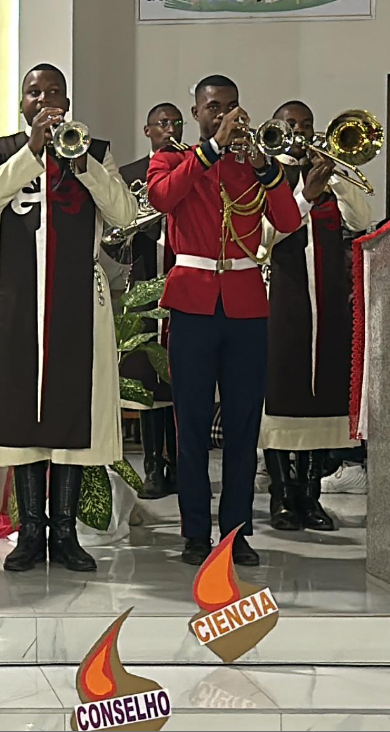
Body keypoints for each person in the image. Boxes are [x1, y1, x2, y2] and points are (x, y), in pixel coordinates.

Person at [0, 64, 137, 573]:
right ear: (21, 102)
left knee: (69, 411)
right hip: (19, 299)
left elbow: (125, 214)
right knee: (22, 414)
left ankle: (64, 532)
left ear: (67, 99)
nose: (43, 99)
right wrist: (32, 154)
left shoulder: (93, 150)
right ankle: (30, 532)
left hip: (76, 303)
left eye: (53, 92)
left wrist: (82, 164)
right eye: (33, 92)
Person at [146, 75, 301, 568]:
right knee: (189, 424)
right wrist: (211, 150)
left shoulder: (254, 164)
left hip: (245, 303)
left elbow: (290, 222)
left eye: (232, 107)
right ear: (197, 114)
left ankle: (236, 531)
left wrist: (266, 169)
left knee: (242, 426)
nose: (226, 115)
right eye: (214, 108)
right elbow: (163, 198)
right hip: (192, 302)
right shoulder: (174, 158)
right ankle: (194, 532)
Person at [259, 102, 376, 533]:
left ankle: (310, 496)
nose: (300, 132)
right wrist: (304, 195)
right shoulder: (265, 173)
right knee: (280, 398)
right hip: (280, 298)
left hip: (326, 300)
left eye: (307, 125)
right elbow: (264, 238)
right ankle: (282, 496)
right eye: (292, 124)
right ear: (276, 128)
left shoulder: (328, 174)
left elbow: (360, 222)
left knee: (319, 401)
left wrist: (336, 177)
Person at [111, 103, 185, 501]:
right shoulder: (130, 175)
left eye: (175, 123)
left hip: (185, 282)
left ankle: (182, 465)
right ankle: (154, 466)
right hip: (144, 280)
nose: (169, 129)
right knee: (147, 382)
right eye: (162, 123)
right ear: (147, 130)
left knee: (182, 379)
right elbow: (118, 235)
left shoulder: (192, 165)